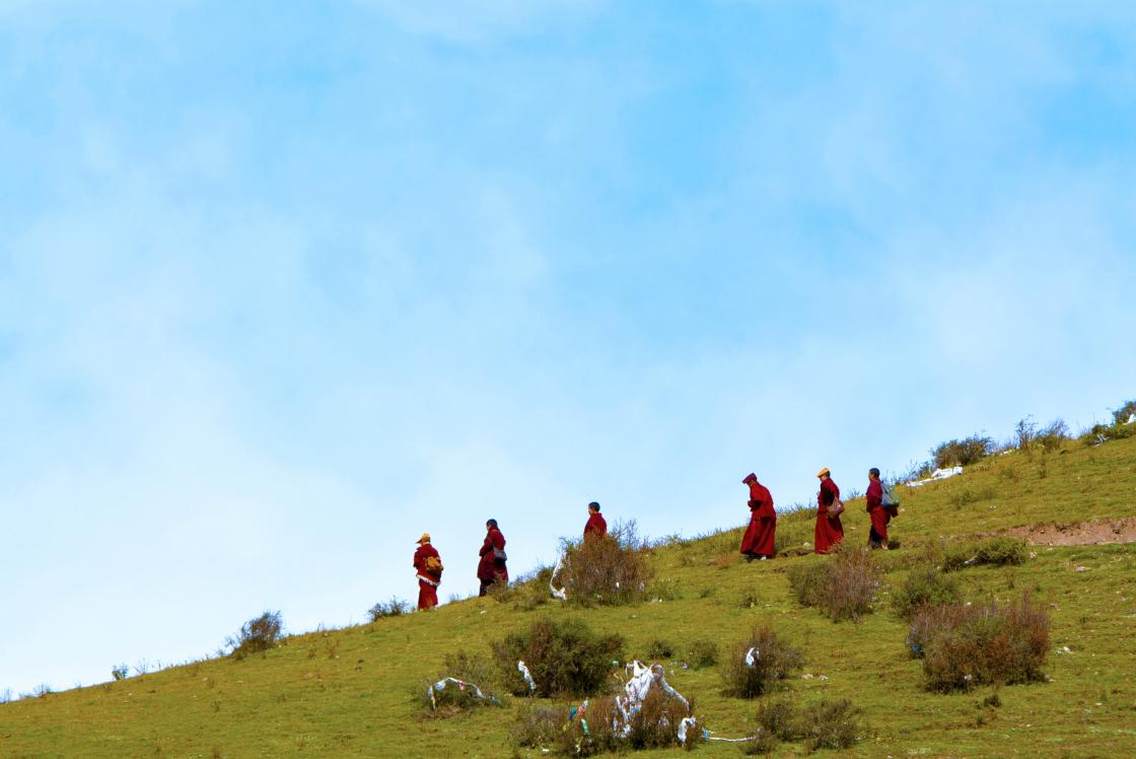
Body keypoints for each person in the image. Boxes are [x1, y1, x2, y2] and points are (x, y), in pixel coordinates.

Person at [739, 472, 776, 560]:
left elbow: (757, 499)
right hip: (770, 514)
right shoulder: (764, 488)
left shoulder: (754, 487)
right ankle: (765, 554)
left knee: (754, 533)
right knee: (766, 534)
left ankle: (755, 552)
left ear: (752, 481)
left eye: (748, 483)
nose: (748, 485)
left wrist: (750, 503)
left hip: (760, 515)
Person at [814, 467, 845, 554]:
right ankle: (836, 545)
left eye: (821, 476)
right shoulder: (830, 482)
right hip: (829, 509)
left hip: (825, 510)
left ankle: (826, 547)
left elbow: (834, 491)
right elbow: (835, 491)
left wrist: (833, 503)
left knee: (825, 529)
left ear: (825, 475)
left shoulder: (825, 483)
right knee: (834, 527)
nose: (820, 478)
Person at [477, 518, 508, 596]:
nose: (487, 528)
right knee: (499, 578)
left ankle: (483, 597)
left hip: (490, 560)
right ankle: (500, 593)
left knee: (486, 578)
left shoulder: (492, 533)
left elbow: (488, 544)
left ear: (489, 525)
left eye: (487, 526)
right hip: (500, 559)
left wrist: (481, 552)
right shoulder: (500, 534)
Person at [412, 532, 443, 610]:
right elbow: (439, 562)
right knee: (429, 590)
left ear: (422, 541)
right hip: (435, 575)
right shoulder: (435, 550)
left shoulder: (419, 551)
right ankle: (422, 608)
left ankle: (431, 606)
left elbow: (416, 563)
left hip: (424, 574)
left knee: (426, 590)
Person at [865, 467, 890, 549]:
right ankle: (870, 545)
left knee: (880, 528)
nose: (868, 476)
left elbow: (873, 498)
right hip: (885, 509)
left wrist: (868, 507)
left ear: (872, 475)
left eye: (869, 474)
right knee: (875, 528)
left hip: (878, 510)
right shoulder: (880, 483)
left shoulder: (873, 484)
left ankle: (884, 545)